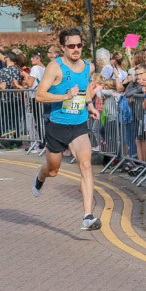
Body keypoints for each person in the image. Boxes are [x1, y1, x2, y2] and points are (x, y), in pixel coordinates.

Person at [33, 28, 102, 231]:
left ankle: (88, 216)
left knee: (86, 165)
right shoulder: (55, 67)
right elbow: (39, 95)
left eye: (79, 45)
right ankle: (41, 175)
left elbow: (86, 87)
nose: (76, 49)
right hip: (57, 125)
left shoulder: (88, 67)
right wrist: (65, 96)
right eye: (71, 46)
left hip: (79, 124)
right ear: (63, 47)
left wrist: (89, 105)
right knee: (53, 170)